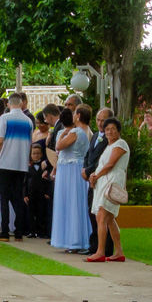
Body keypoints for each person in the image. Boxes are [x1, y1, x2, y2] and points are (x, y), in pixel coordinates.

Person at [0, 91, 33, 240]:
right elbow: (30, 143)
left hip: (5, 163)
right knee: (18, 197)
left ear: (8, 104)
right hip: (21, 164)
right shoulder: (28, 121)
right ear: (21, 104)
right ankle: (19, 231)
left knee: (4, 197)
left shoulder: (5, 118)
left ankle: (5, 231)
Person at [51, 105, 94, 251]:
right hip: (73, 168)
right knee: (74, 203)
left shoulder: (75, 131)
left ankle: (75, 240)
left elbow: (59, 146)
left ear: (79, 115)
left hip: (71, 170)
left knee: (72, 203)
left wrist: (62, 134)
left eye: (75, 113)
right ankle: (76, 239)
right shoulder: (87, 132)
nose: (73, 115)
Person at [88, 116, 130, 263]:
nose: (110, 132)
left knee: (102, 216)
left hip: (112, 182)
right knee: (110, 218)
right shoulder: (108, 146)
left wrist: (97, 175)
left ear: (118, 131)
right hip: (103, 182)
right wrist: (94, 177)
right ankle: (118, 251)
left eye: (113, 129)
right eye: (107, 129)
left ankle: (100, 251)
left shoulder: (121, 144)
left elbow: (110, 164)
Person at [82, 107, 113, 255]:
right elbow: (88, 155)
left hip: (101, 178)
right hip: (91, 179)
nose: (100, 123)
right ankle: (94, 245)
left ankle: (106, 248)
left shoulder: (110, 139)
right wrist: (84, 169)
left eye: (103, 120)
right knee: (91, 211)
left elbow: (103, 160)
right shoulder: (95, 136)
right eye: (98, 120)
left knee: (102, 214)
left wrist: (90, 171)